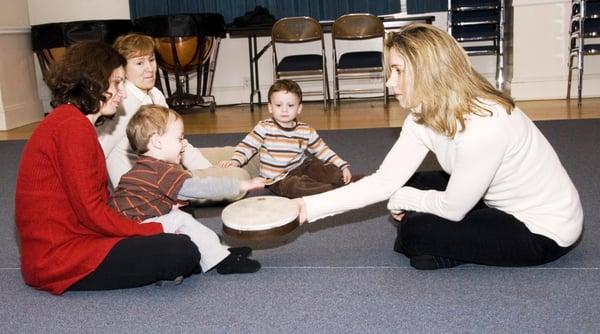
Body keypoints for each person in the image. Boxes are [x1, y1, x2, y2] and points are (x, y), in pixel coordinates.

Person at [294, 23, 583, 270]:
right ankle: (458, 240)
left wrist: (405, 199)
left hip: (541, 233)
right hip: (493, 202)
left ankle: (449, 244)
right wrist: (306, 208)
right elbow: (385, 181)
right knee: (411, 181)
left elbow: (454, 208)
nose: (388, 82)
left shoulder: (485, 124)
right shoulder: (422, 115)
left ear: (429, 71)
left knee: (415, 233)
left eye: (397, 71)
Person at [15, 41, 201, 295]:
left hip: (78, 238)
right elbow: (92, 213)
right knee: (181, 250)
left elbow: (96, 204)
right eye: (117, 83)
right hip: (58, 258)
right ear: (93, 83)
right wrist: (152, 228)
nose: (123, 93)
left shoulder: (72, 123)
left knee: (177, 222)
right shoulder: (72, 128)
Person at [96, 33, 260, 196]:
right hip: (151, 183)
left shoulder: (155, 93)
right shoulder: (122, 103)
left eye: (151, 60)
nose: (149, 68)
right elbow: (98, 151)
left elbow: (179, 142)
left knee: (241, 154)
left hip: (171, 162)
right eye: (139, 63)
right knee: (238, 177)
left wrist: (208, 168)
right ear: (122, 69)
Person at [109, 104, 263, 274]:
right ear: (157, 142)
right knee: (182, 220)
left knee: (178, 215)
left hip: (127, 228)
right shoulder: (161, 171)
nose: (183, 145)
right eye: (179, 138)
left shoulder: (144, 167)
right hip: (133, 231)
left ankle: (217, 250)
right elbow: (200, 188)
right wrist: (239, 185)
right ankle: (222, 261)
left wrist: (167, 206)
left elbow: (142, 201)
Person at [219, 79, 352, 198]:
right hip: (276, 179)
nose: (284, 110)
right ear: (270, 107)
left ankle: (338, 180)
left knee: (327, 171)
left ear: (299, 108)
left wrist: (342, 166)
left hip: (301, 167)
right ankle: (330, 190)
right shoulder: (264, 127)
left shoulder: (306, 130)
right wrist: (235, 161)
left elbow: (323, 150)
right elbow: (247, 146)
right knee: (295, 187)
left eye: (290, 106)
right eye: (278, 105)